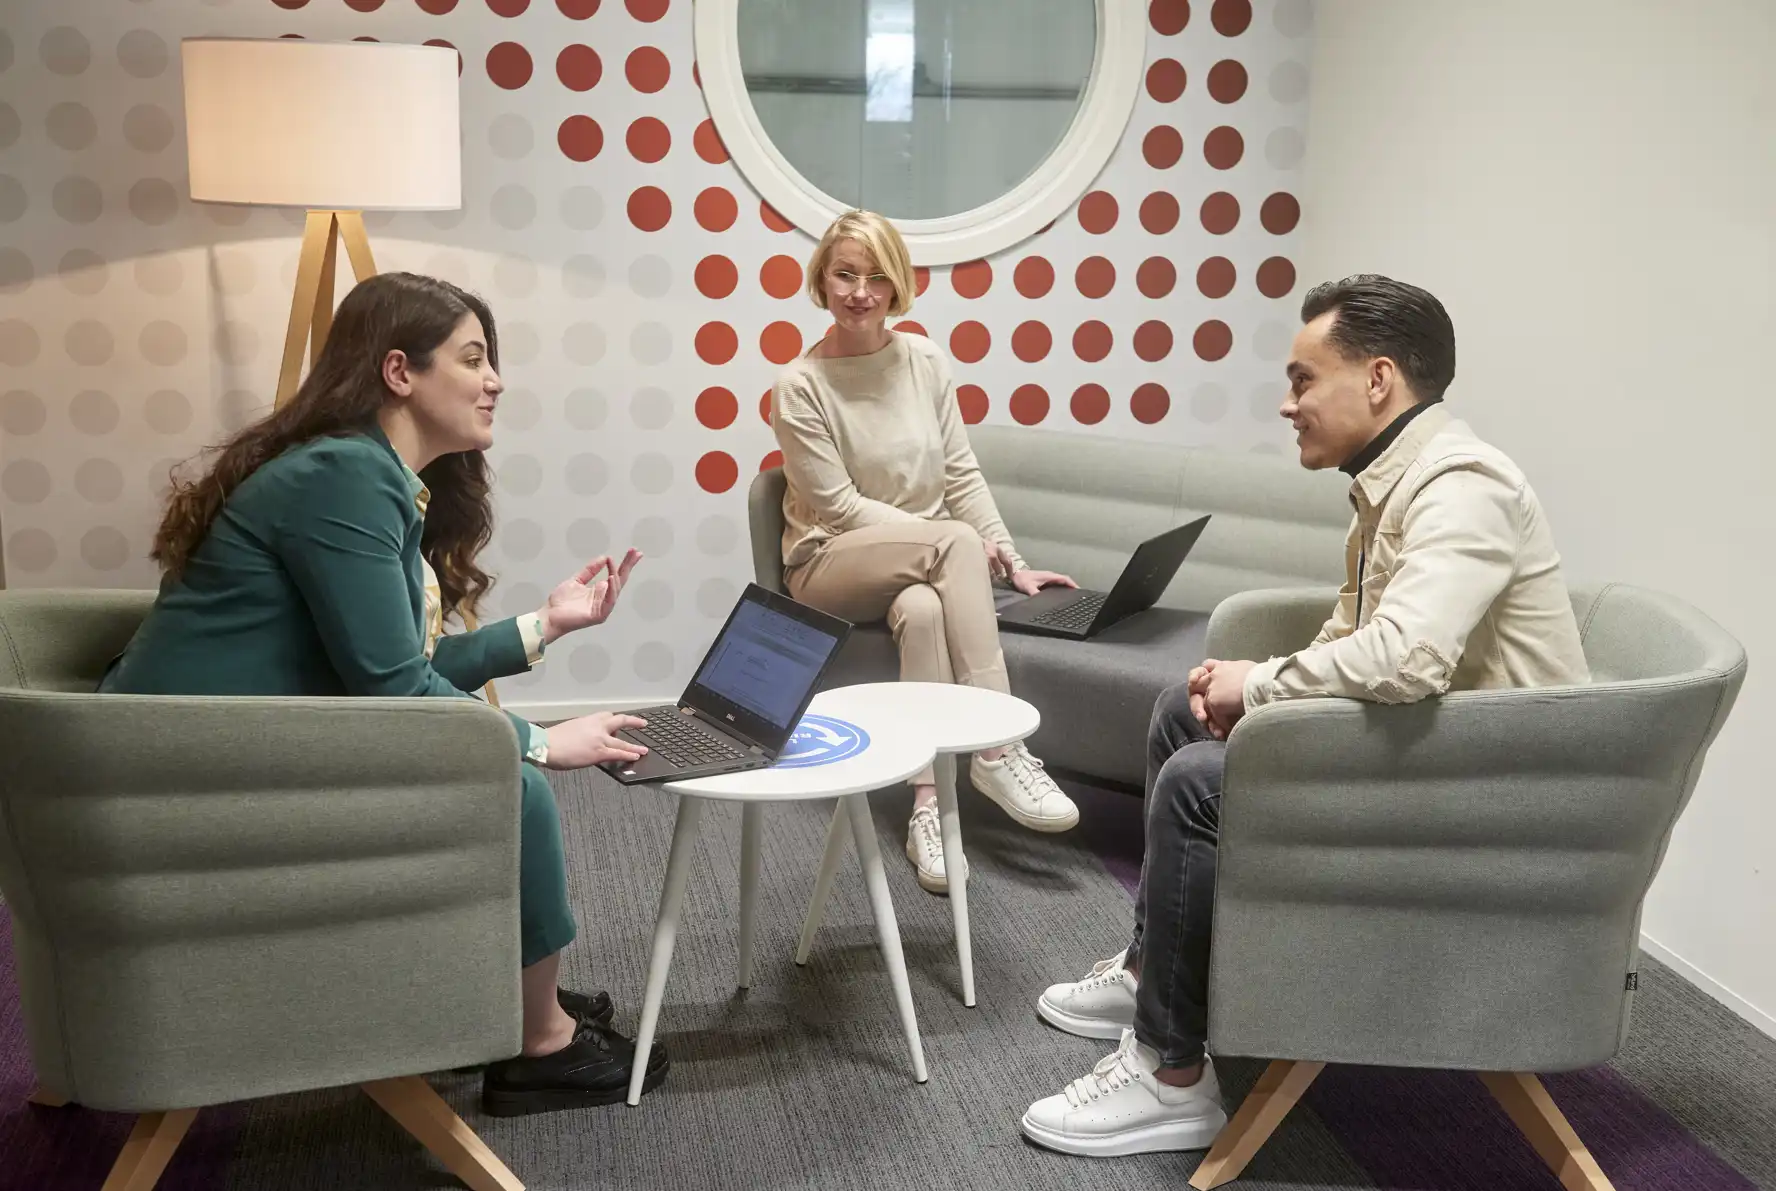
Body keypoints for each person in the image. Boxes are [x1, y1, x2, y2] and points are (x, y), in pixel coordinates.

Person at [1020, 274, 1592, 1156]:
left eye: (1302, 380)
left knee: (1201, 783)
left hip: (1492, 800)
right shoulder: (1391, 481)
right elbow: (1355, 633)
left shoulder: (1461, 485)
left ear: (1378, 379)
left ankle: (1171, 1077)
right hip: (1438, 752)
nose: (1288, 405)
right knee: (1181, 714)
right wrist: (1250, 694)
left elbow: (1406, 657)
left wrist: (1261, 685)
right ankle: (1148, 978)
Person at [100, 272, 668, 1117]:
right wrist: (542, 742)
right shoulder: (346, 476)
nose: (495, 380)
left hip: (207, 748)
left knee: (497, 772)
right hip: (172, 777)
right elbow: (393, 685)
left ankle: (516, 997)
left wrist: (546, 624)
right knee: (511, 786)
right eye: (472, 359)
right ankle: (538, 1041)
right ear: (399, 371)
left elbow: (399, 662)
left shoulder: (361, 471)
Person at [771, 210, 1080, 895]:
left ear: (898, 286)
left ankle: (928, 808)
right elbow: (840, 508)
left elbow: (960, 472)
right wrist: (949, 541)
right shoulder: (799, 385)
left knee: (923, 609)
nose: (860, 292)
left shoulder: (925, 360)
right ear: (821, 279)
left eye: (877, 277)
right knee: (949, 544)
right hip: (828, 563)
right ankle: (996, 747)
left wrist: (1009, 556)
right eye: (845, 274)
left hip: (919, 561)